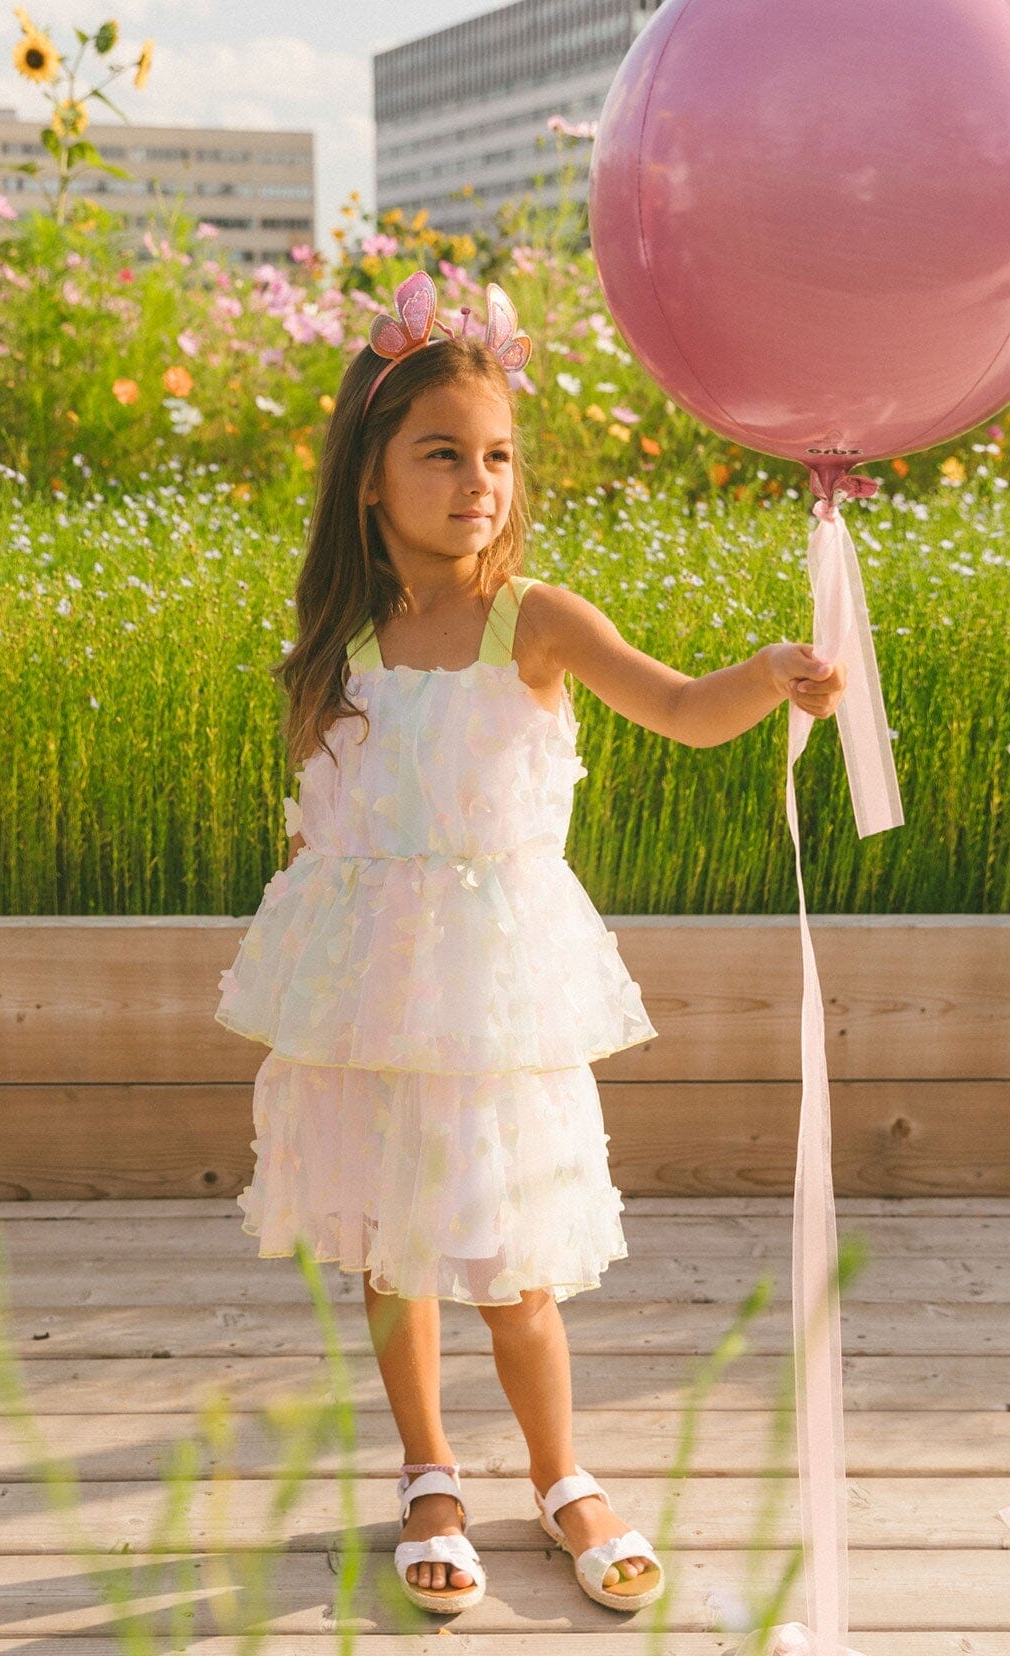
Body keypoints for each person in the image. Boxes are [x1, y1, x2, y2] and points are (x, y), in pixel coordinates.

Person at [215, 270, 847, 1615]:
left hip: (495, 1000)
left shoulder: (533, 620)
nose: (477, 481)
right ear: (371, 479)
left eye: (497, 455)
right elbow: (327, 831)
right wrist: (316, 984)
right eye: (442, 453)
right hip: (374, 1003)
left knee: (513, 1260)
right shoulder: (339, 646)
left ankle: (561, 1474)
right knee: (395, 1248)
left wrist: (771, 674)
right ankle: (427, 1469)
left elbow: (677, 706)